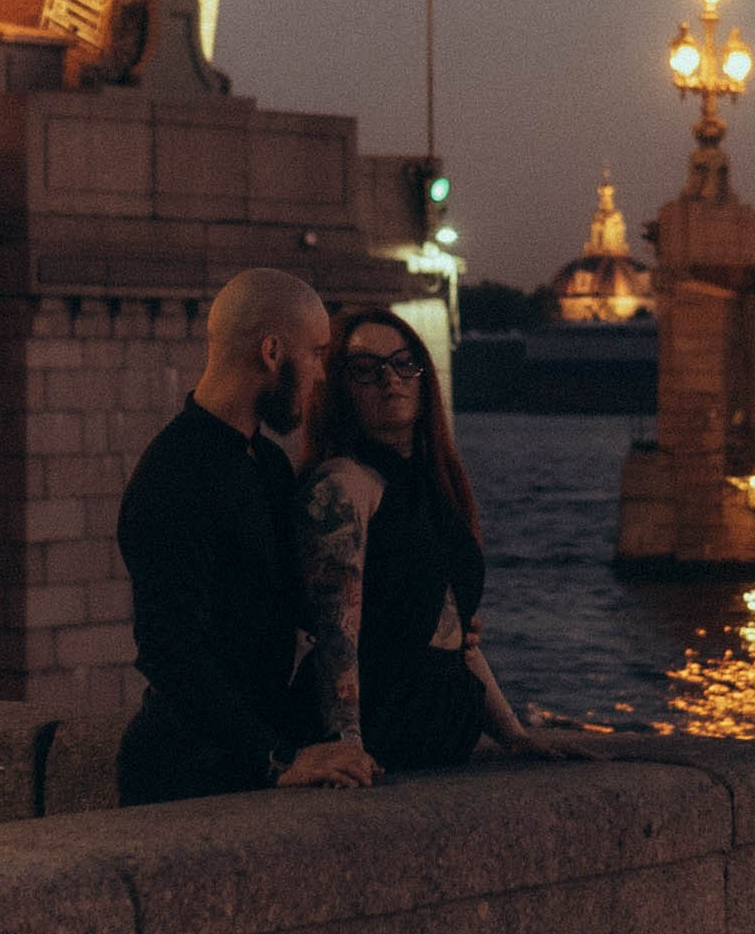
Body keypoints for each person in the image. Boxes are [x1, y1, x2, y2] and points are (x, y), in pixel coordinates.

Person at [116, 269, 380, 804]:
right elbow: (169, 650)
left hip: (243, 764)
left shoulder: (269, 466)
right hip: (185, 778)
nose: (322, 377)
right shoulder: (175, 472)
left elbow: (304, 608)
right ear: (272, 352)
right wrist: (278, 759)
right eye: (316, 354)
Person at [294, 308, 564, 772]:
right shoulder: (346, 484)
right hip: (384, 727)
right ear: (339, 388)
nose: (390, 379)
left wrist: (514, 735)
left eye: (404, 363)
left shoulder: (433, 487)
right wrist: (348, 744)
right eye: (365, 369)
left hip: (437, 730)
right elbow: (338, 635)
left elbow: (453, 633)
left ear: (423, 378)